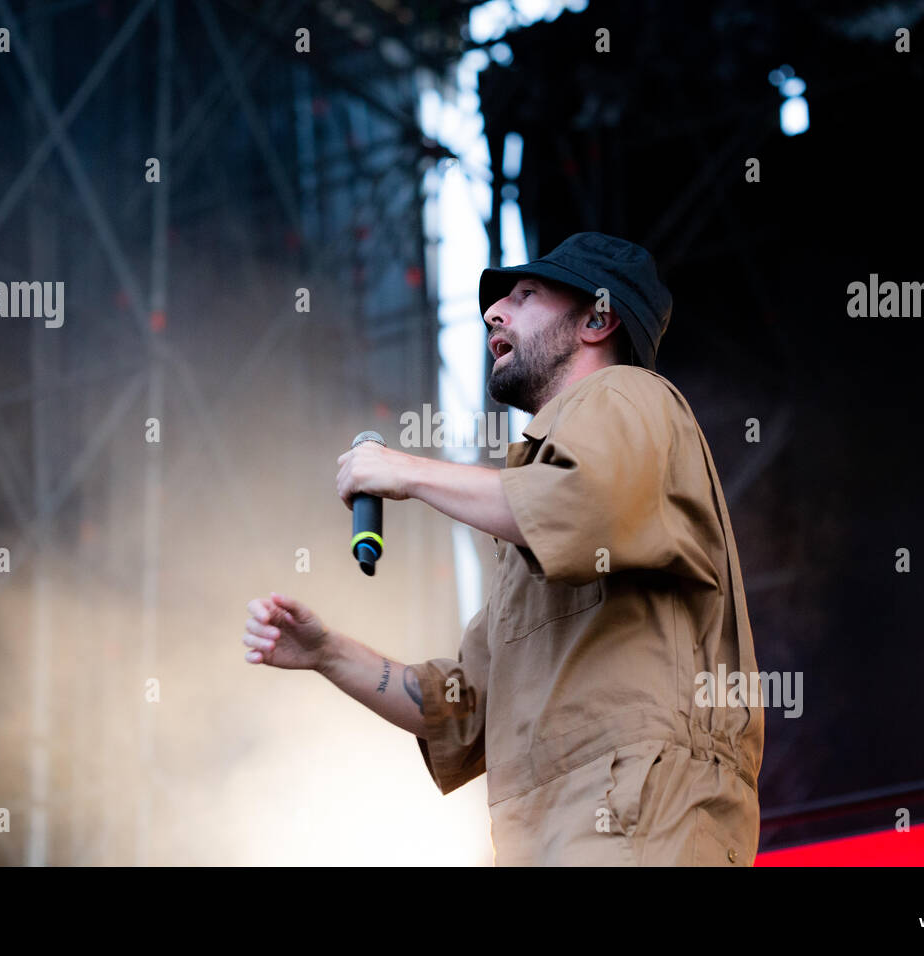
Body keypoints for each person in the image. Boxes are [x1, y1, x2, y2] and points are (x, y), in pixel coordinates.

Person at [244, 232, 763, 865]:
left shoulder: (630, 395)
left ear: (598, 318)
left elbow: (576, 504)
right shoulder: (532, 543)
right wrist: (327, 653)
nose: (494, 312)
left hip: (640, 824)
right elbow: (460, 711)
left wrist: (403, 471)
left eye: (525, 295)